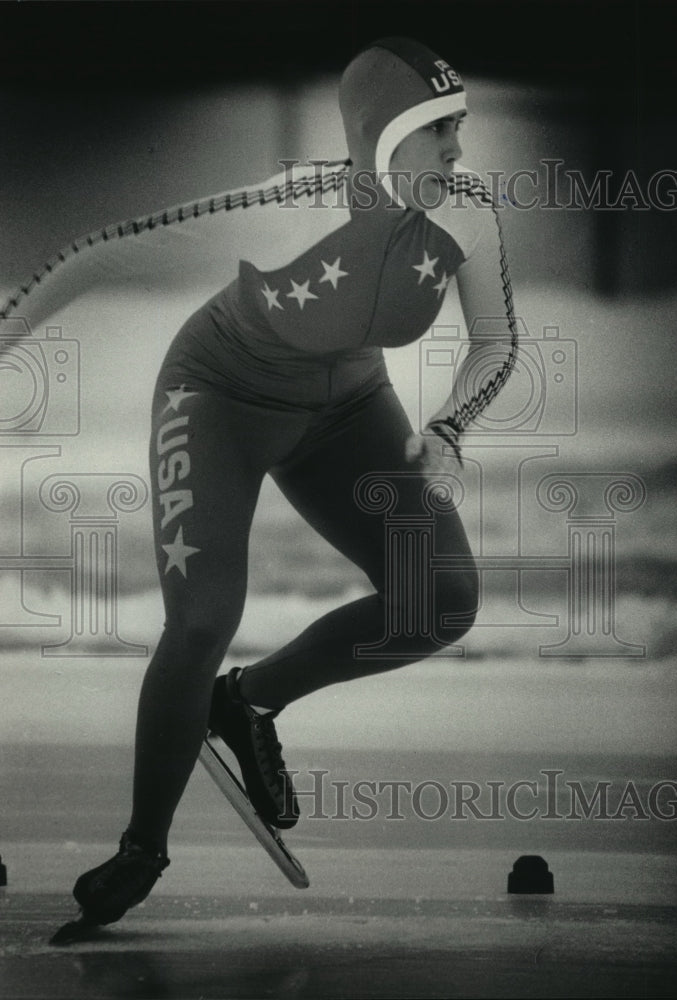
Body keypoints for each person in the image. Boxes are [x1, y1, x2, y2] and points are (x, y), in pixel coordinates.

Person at [57, 36, 517, 926]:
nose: (457, 149)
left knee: (439, 598)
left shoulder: (467, 212)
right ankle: (142, 846)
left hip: (346, 408)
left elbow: (496, 342)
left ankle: (246, 701)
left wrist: (450, 426)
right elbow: (99, 253)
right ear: (383, 137)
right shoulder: (293, 199)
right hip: (218, 396)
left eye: (458, 126)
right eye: (435, 130)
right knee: (201, 620)